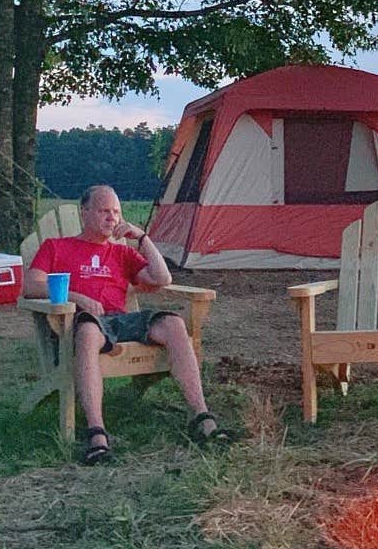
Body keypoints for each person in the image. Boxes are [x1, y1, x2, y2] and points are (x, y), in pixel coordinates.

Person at [24, 184, 230, 464]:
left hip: (122, 320)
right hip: (84, 321)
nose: (112, 218)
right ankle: (96, 431)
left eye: (117, 212)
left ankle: (201, 415)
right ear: (84, 213)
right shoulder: (56, 247)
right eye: (104, 211)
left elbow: (162, 279)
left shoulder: (123, 254)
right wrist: (77, 297)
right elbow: (31, 284)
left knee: (173, 324)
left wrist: (142, 238)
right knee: (86, 331)